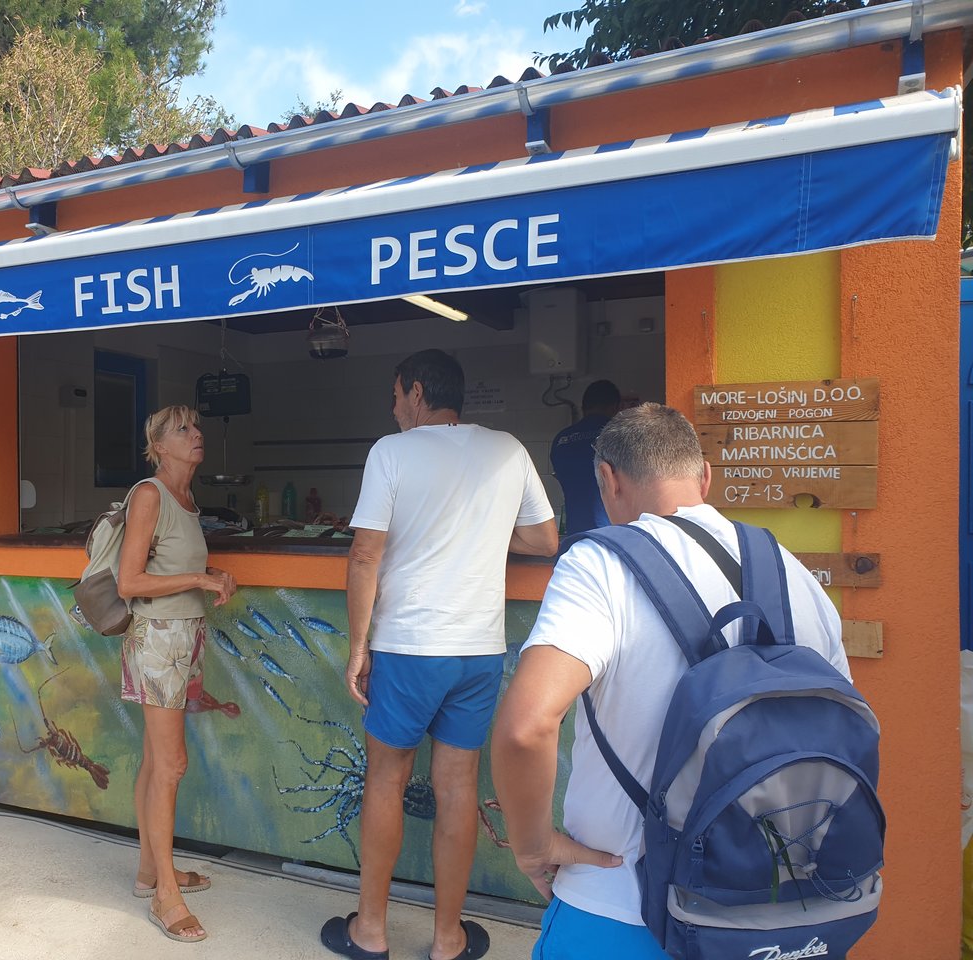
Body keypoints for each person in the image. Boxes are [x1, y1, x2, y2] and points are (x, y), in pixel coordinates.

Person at [490, 403, 848, 958]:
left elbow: (525, 727)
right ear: (705, 476)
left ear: (607, 479)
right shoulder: (793, 572)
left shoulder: (599, 566)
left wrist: (533, 846)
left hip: (621, 905)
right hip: (776, 911)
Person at [321, 349, 559, 960]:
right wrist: (480, 527)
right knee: (456, 787)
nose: (393, 407)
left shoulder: (392, 452)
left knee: (386, 780)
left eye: (396, 394)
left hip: (409, 646)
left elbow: (365, 554)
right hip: (478, 650)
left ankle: (370, 932)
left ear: (418, 393)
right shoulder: (507, 449)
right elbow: (544, 538)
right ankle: (448, 939)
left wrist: (357, 647)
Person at [117, 404, 237, 944]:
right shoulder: (150, 494)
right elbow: (130, 582)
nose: (196, 434)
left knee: (155, 761)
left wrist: (208, 575)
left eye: (197, 426)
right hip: (158, 639)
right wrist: (198, 578)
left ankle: (150, 871)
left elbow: (168, 569)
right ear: (159, 447)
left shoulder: (187, 501)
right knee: (171, 766)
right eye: (182, 429)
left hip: (184, 636)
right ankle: (166, 894)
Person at [549, 379, 620, 535]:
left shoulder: (561, 439)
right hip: (612, 533)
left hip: (575, 532)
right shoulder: (618, 436)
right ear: (615, 407)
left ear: (583, 407)